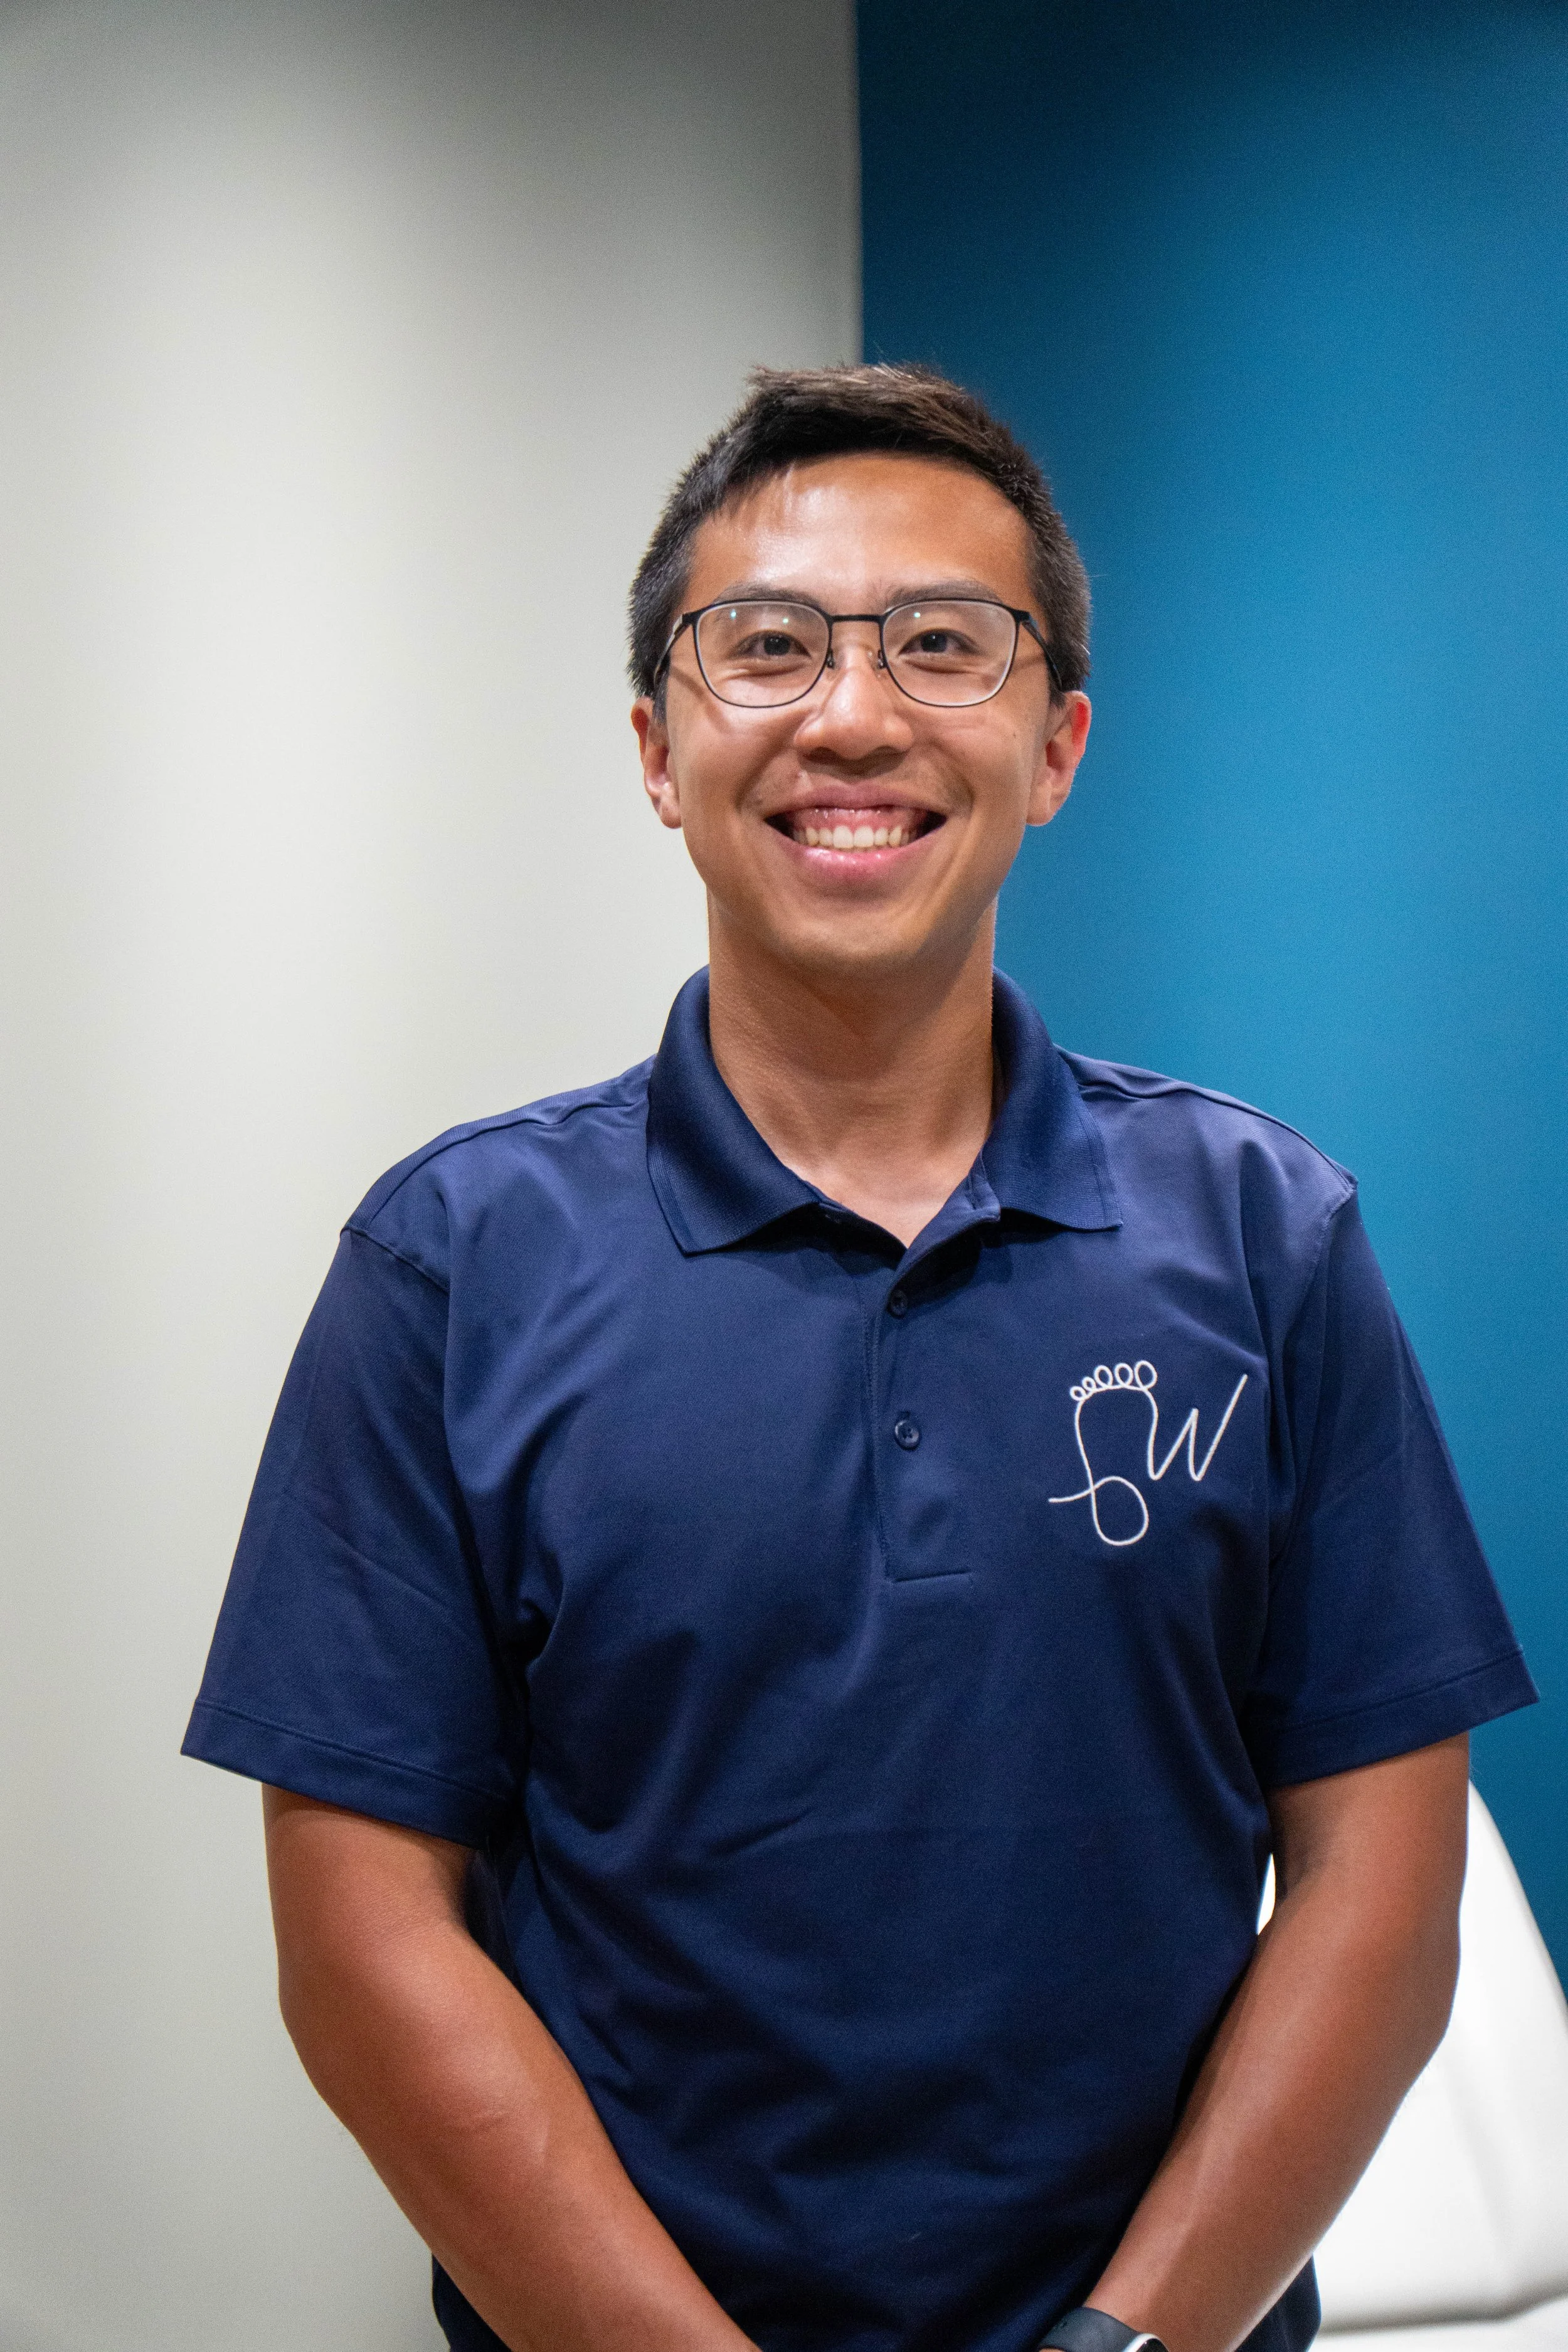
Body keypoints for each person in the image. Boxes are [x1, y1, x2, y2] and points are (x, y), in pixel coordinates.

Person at [183, 364, 1537, 2352]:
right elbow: (366, 1939)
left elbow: (1379, 1886)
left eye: (940, 645)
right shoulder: (450, 1261)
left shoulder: (1268, 1240)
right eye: (765, 648)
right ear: (655, 744)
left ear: (1055, 739)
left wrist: (1134, 2340)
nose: (852, 715)